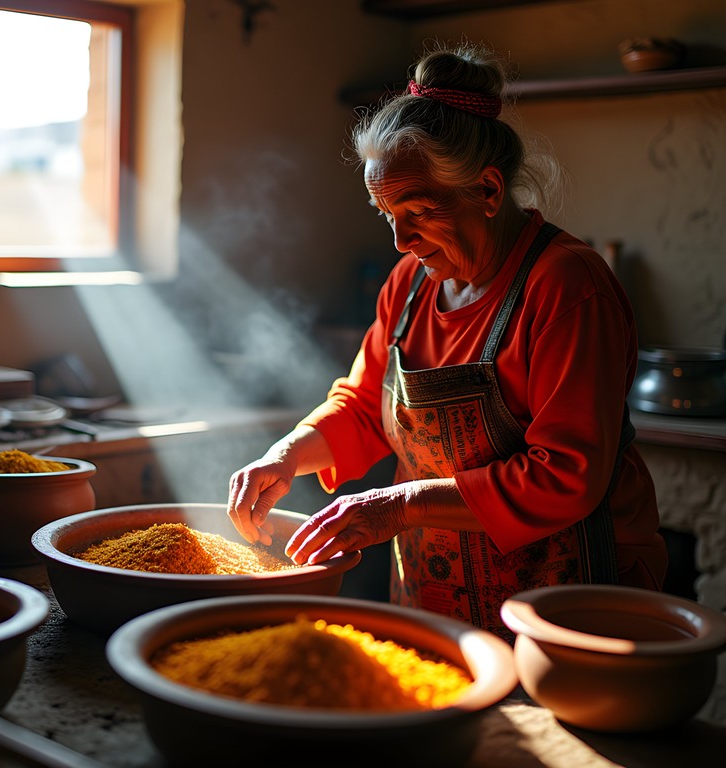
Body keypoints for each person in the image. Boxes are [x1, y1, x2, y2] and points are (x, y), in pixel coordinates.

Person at [226, 42, 667, 640]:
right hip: (435, 595)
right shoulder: (410, 283)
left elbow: (566, 474)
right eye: (387, 214)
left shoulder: (566, 286)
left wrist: (401, 504)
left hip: (567, 606)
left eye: (418, 212)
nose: (401, 240)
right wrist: (289, 453)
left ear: (487, 191)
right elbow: (361, 407)